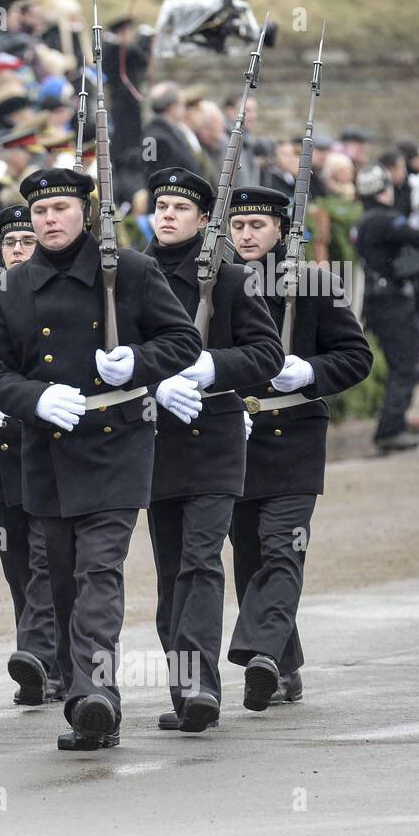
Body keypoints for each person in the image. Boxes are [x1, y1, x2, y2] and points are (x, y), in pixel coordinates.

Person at [0, 167, 201, 751]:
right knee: (64, 580)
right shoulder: (9, 288)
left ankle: (95, 698)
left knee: (100, 571)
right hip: (47, 450)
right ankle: (83, 690)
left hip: (118, 443)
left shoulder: (132, 271)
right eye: (41, 212)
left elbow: (183, 342)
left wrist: (137, 362)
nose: (49, 221)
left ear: (86, 213)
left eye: (61, 209)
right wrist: (36, 398)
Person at [142, 167, 282, 732]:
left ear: (205, 220)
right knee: (171, 570)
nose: (167, 215)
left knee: (201, 563)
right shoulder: (131, 274)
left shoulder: (230, 279)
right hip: (153, 440)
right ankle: (184, 689)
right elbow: (112, 354)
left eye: (180, 208)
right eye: (161, 206)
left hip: (216, 436)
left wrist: (211, 368)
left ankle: (200, 687)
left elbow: (266, 354)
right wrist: (153, 380)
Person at [225, 186, 373, 710]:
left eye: (257, 226)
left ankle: (261, 654)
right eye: (238, 225)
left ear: (282, 233)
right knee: (248, 558)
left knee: (282, 549)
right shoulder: (217, 285)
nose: (245, 235)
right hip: (233, 441)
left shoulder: (314, 285)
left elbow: (356, 357)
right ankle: (284, 668)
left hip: (293, 439)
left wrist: (310, 372)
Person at [0, 204, 61, 704]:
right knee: (18, 562)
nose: (20, 251)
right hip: (3, 452)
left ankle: (38, 654)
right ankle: (48, 660)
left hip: (51, 448)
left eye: (28, 241)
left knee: (49, 559)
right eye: (11, 244)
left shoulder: (65, 294)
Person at [353, 164, 419, 453]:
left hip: (378, 300)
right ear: (384, 190)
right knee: (407, 364)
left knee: (401, 362)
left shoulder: (364, 220)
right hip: (391, 302)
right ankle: (391, 429)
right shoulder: (386, 219)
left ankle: (394, 423)